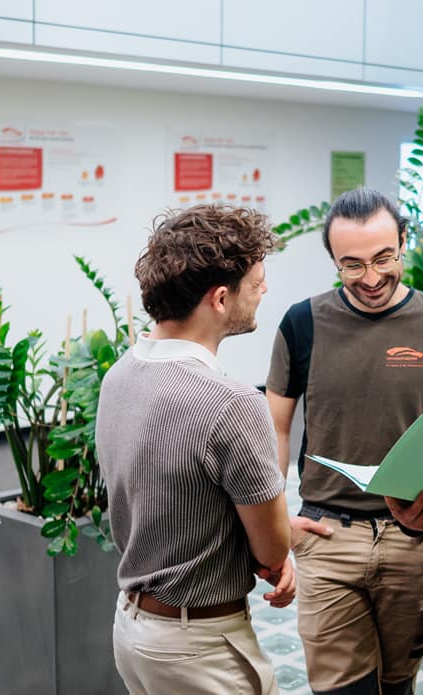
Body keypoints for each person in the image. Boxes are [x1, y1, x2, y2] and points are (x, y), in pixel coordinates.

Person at [266, 188, 423, 695]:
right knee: (343, 690)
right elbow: (276, 428)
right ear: (333, 261)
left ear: (404, 242)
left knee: (397, 685)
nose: (371, 277)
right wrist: (278, 524)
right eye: (352, 265)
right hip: (327, 536)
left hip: (413, 537)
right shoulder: (302, 325)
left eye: (384, 258)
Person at [100, 204, 294, 695]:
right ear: (222, 299)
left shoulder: (117, 376)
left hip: (133, 630)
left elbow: (171, 502)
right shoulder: (233, 405)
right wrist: (280, 544)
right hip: (200, 648)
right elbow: (272, 548)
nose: (264, 290)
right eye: (256, 283)